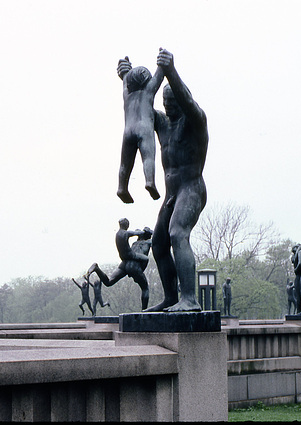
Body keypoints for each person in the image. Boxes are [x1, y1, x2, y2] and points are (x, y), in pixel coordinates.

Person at [119, 48, 208, 312]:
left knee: (178, 233)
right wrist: (127, 77)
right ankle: (171, 297)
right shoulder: (163, 122)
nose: (167, 106)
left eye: (172, 102)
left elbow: (187, 100)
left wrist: (170, 71)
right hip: (171, 194)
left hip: (191, 189)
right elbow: (141, 106)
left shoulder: (195, 122)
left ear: (182, 101)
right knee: (158, 244)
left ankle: (189, 298)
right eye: (165, 102)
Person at [117, 57, 164, 203]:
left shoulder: (127, 95)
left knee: (125, 163)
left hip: (127, 131)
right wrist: (162, 64)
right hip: (144, 128)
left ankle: (122, 187)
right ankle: (150, 181)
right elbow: (158, 77)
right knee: (148, 157)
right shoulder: (148, 91)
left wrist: (125, 73)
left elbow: (125, 81)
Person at [86, 225, 153, 310]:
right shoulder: (148, 242)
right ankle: (144, 312)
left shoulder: (134, 243)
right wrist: (151, 232)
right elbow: (160, 237)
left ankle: (97, 268)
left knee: (108, 282)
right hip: (134, 265)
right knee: (145, 288)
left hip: (125, 263)